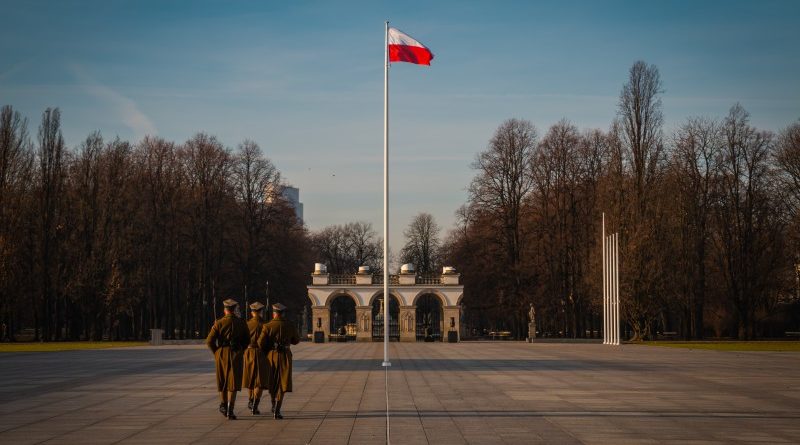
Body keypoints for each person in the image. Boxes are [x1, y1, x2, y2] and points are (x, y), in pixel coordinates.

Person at [205, 298, 250, 420]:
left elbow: (209, 341)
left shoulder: (219, 323)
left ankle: (223, 404)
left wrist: (217, 352)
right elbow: (247, 340)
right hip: (236, 353)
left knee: (223, 381)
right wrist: (241, 349)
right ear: (234, 309)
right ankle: (230, 409)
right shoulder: (241, 322)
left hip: (222, 353)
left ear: (225, 310)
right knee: (233, 383)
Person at [263, 302, 300, 419]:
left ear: (274, 313)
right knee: (282, 382)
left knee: (272, 381)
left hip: (271, 356)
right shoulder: (290, 325)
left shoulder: (267, 326)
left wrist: (268, 350)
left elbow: (260, 343)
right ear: (283, 313)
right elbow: (296, 340)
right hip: (285, 355)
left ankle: (273, 403)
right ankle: (277, 410)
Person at [243, 301, 269, 415]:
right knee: (259, 381)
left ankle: (250, 400)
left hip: (248, 352)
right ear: (261, 312)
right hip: (261, 353)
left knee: (250, 379)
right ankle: (255, 404)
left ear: (252, 312)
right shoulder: (265, 325)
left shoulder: (246, 324)